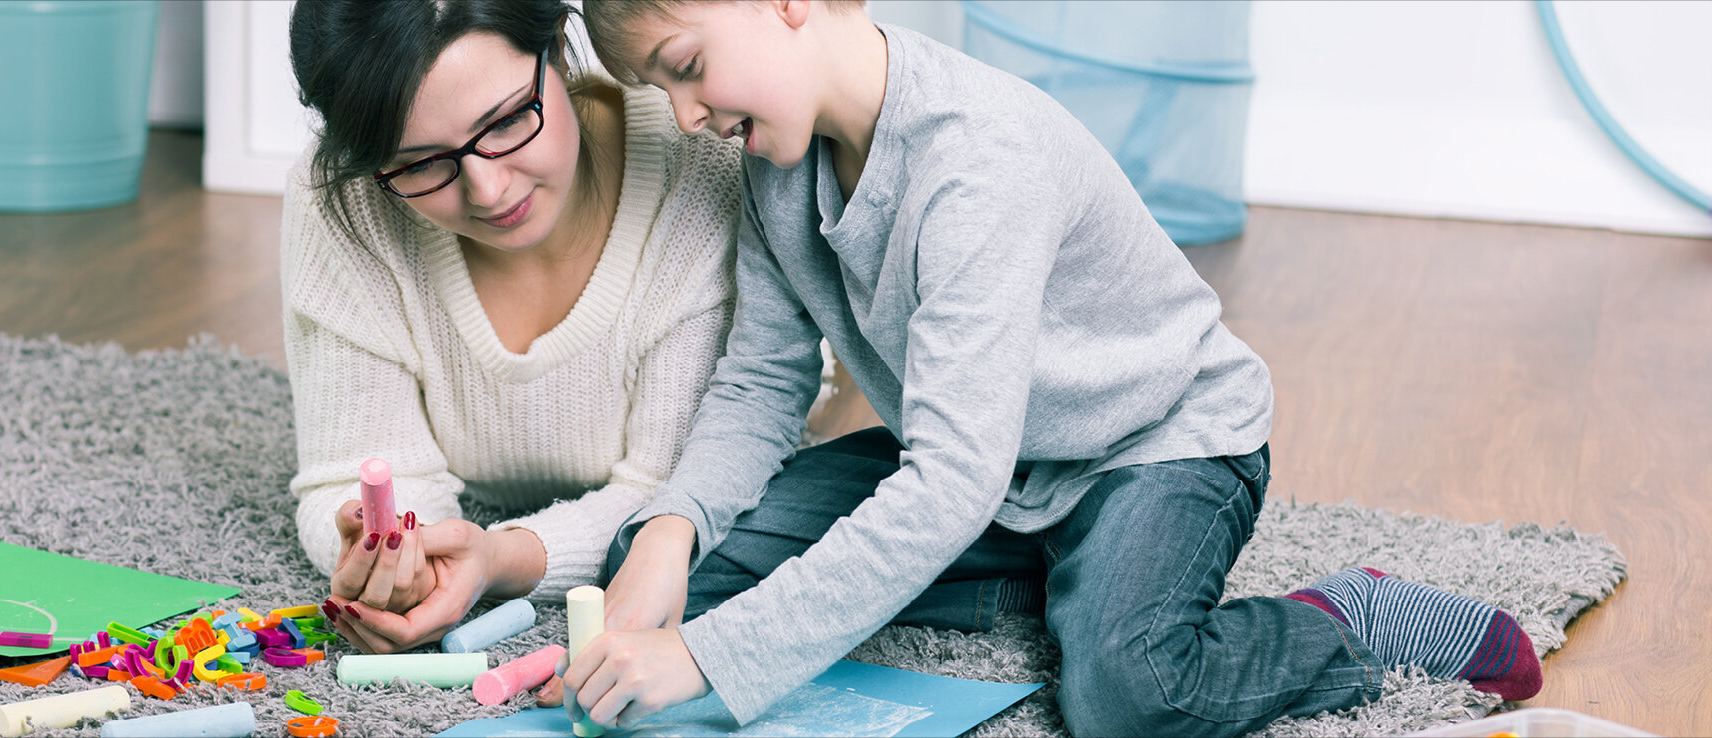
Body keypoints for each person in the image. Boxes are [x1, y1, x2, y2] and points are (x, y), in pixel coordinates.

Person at [555, 1, 1545, 734]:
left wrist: (708, 661)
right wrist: (669, 535)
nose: (684, 116)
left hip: (1154, 449)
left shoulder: (978, 164)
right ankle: (1066, 583)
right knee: (683, 574)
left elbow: (947, 481)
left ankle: (1344, 618)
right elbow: (760, 384)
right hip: (995, 471)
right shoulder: (773, 172)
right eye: (659, 90)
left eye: (686, 68)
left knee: (1127, 695)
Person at [279, 0, 743, 656]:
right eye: (419, 164)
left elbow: (673, 499)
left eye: (505, 122)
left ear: (556, 40)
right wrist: (406, 562)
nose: (489, 190)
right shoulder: (346, 200)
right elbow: (347, 475)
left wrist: (498, 559)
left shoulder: (696, 165)